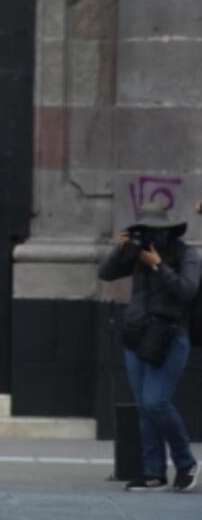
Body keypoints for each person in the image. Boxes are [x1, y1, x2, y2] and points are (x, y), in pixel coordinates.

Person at [98, 203, 200, 493]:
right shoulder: (136, 252)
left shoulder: (186, 254)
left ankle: (186, 462)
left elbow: (188, 290)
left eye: (154, 230)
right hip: (135, 334)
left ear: (167, 230)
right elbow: (105, 273)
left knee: (156, 402)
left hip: (169, 336)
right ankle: (153, 472)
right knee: (145, 407)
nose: (149, 236)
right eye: (143, 230)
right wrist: (120, 250)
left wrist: (158, 264)